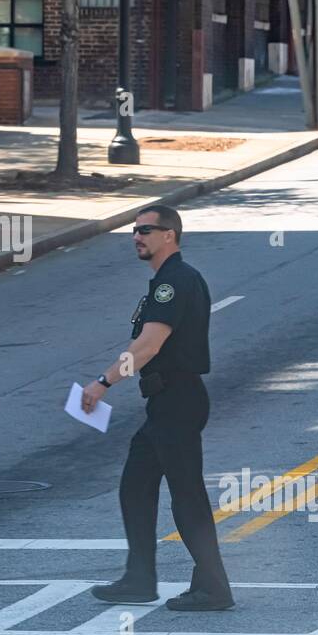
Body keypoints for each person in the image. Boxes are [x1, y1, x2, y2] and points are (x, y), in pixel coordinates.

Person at [80, 204, 234, 611]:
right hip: (167, 401)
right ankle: (139, 577)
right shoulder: (170, 280)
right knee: (136, 483)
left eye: (146, 230)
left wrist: (103, 382)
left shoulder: (174, 282)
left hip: (177, 400)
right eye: (134, 230)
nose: (137, 237)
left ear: (170, 235)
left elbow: (148, 346)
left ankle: (213, 587)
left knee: (187, 496)